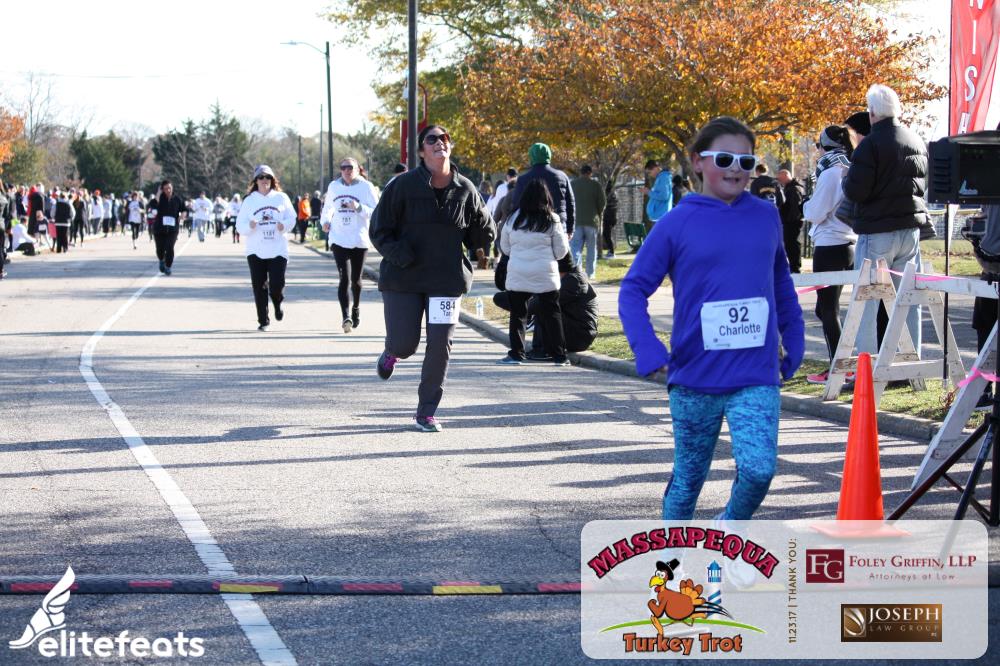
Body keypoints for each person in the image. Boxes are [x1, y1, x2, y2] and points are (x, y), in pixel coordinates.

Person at [618, 116, 804, 520]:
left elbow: (780, 280)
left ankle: (725, 532)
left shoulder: (765, 216)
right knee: (688, 480)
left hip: (755, 372)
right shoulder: (675, 223)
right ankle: (672, 555)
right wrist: (647, 348)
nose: (736, 169)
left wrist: (794, 334)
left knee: (758, 471)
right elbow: (632, 290)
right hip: (694, 377)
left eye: (746, 161)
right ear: (698, 162)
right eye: (724, 159)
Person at [370, 124, 495, 433]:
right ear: (421, 150)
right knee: (405, 343)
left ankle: (426, 411)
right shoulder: (402, 186)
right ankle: (392, 353)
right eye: (432, 139)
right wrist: (400, 254)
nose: (440, 142)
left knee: (440, 345)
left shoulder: (465, 188)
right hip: (404, 278)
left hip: (445, 280)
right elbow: (379, 230)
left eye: (445, 138)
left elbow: (479, 234)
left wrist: (485, 233)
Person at [843, 84, 927, 358]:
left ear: (872, 113)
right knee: (908, 298)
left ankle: (867, 363)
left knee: (867, 301)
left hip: (877, 229)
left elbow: (857, 191)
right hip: (910, 229)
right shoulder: (916, 139)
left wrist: (846, 179)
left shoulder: (869, 145)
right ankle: (909, 360)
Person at [803, 126, 857, 384]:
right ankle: (843, 362)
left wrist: (805, 204)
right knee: (824, 309)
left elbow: (815, 213)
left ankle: (840, 367)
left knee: (828, 310)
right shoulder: (851, 167)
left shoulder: (830, 172)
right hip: (849, 243)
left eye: (818, 146)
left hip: (830, 245)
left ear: (824, 146)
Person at [498, 178, 571, 365]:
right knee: (552, 314)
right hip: (545, 273)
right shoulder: (552, 219)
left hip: (518, 272)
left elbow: (505, 248)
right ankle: (560, 356)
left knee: (518, 315)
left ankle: (516, 353)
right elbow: (561, 251)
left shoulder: (513, 219)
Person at [494, 252, 598, 359]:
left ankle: (542, 350)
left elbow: (537, 305)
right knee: (539, 304)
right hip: (572, 329)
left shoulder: (574, 282)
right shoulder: (567, 279)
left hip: (579, 337)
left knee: (545, 306)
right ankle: (539, 343)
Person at [321, 156, 379, 333]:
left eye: (350, 167)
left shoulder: (366, 187)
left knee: (356, 280)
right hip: (339, 238)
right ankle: (345, 316)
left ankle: (356, 307)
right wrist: (325, 221)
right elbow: (328, 208)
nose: (347, 170)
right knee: (344, 278)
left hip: (359, 239)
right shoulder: (334, 186)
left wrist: (358, 207)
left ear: (358, 169)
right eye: (343, 167)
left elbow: (376, 212)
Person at [235, 165, 295, 331]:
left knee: (276, 284)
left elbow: (292, 217)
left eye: (268, 177)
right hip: (256, 249)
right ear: (256, 181)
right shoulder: (249, 200)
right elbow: (239, 225)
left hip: (278, 248)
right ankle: (263, 320)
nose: (264, 180)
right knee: (259, 285)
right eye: (261, 177)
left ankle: (277, 302)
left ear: (272, 180)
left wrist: (284, 225)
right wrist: (250, 226)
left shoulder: (281, 197)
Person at [508, 143, 576, 238]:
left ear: (531, 156)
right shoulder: (562, 176)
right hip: (559, 227)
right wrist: (570, 229)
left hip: (530, 229)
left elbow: (516, 205)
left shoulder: (523, 179)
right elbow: (570, 203)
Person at [570, 165, 606, 279]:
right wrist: (598, 213)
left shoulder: (572, 184)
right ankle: (590, 273)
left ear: (580, 172)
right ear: (590, 173)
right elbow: (602, 203)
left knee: (575, 247)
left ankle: (576, 271)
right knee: (591, 248)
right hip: (592, 221)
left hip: (576, 221)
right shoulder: (595, 185)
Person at [152, 180, 185, 275]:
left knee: (170, 247)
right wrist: (158, 193)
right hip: (159, 228)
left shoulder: (177, 199)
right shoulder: (159, 198)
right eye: (166, 188)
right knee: (160, 249)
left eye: (170, 188)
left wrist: (183, 214)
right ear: (162, 189)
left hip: (172, 229)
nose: (168, 190)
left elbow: (184, 209)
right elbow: (153, 205)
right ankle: (161, 260)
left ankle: (168, 266)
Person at [775, 168, 805, 273]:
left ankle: (795, 267)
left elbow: (794, 207)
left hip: (792, 222)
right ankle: (794, 266)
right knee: (791, 244)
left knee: (792, 244)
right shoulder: (793, 187)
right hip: (792, 221)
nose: (780, 181)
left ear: (786, 176)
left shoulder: (793, 189)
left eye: (780, 179)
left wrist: (789, 220)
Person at [601, 184, 618, 259]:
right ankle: (610, 250)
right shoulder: (613, 194)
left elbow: (607, 205)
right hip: (612, 217)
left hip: (609, 218)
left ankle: (611, 252)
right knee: (607, 235)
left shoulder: (609, 195)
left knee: (607, 234)